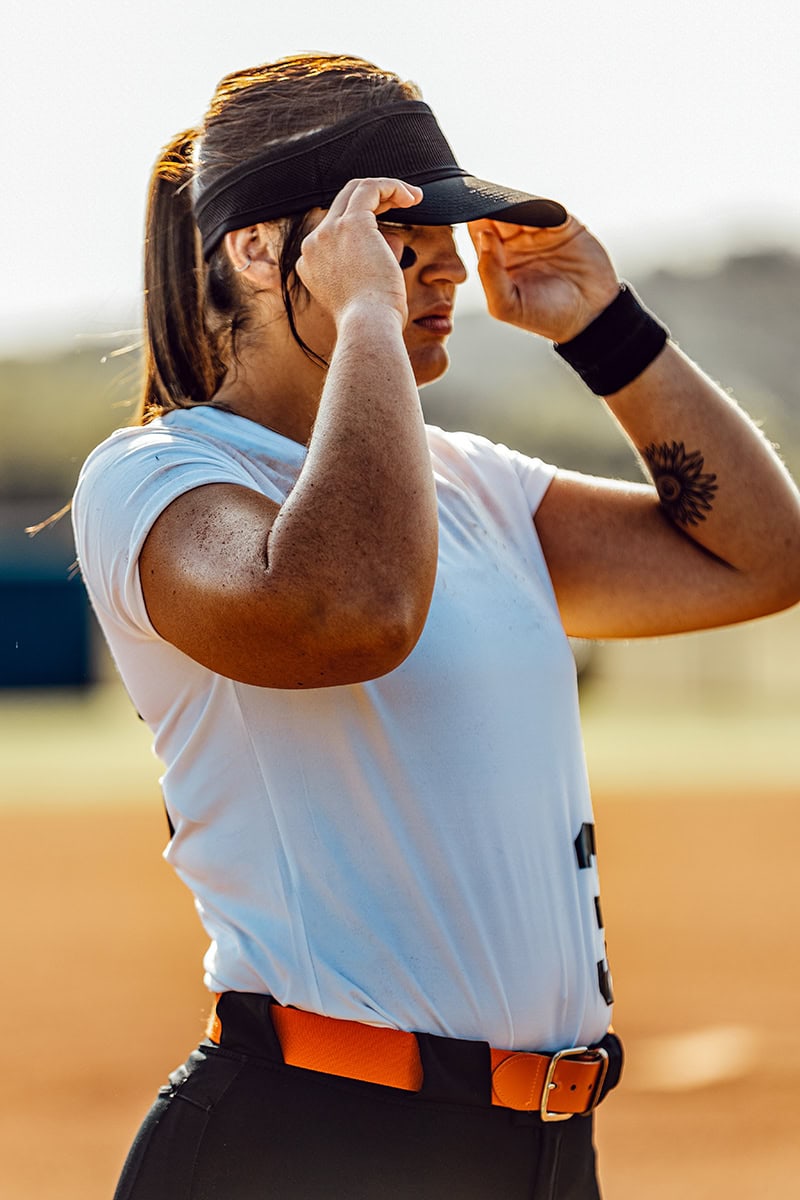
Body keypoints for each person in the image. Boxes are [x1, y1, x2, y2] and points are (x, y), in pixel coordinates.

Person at [71, 52, 800, 1200]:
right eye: (405, 234)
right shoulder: (160, 476)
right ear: (263, 252)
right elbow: (347, 611)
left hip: (541, 1149)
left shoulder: (469, 482)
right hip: (315, 1145)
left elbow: (760, 557)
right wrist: (365, 307)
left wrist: (601, 326)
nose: (449, 269)